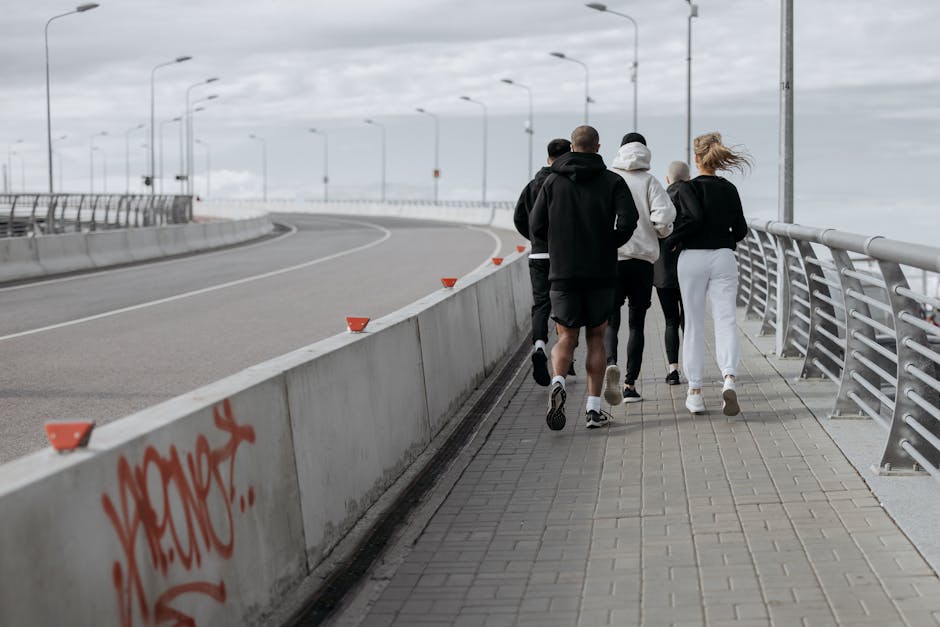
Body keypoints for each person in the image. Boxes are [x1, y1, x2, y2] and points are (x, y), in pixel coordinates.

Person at [530, 125, 639, 430]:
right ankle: (593, 410)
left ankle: (559, 380)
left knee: (566, 336)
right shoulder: (612, 180)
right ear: (598, 146)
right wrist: (609, 243)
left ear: (572, 148)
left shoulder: (552, 181)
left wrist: (559, 245)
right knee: (595, 337)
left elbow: (536, 226)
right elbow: (630, 220)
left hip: (563, 272)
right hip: (601, 272)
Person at [663, 132, 750, 416]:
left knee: (694, 324)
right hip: (724, 257)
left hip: (691, 258)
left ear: (697, 158)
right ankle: (729, 379)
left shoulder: (687, 188)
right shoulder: (728, 189)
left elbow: (678, 223)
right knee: (726, 320)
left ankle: (696, 392)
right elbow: (741, 231)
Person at [602, 132, 675, 406]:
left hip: (612, 259)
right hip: (642, 262)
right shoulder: (650, 181)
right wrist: (659, 232)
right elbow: (664, 217)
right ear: (646, 151)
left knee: (611, 321)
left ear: (620, 151)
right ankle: (630, 385)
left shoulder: (609, 179)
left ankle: (611, 364)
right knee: (637, 324)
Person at [513, 139, 575, 387]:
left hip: (538, 255)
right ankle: (565, 356)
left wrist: (536, 240)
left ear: (548, 157)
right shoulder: (567, 184)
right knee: (565, 305)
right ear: (569, 155)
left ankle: (539, 346)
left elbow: (519, 219)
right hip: (564, 256)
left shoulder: (531, 186)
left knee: (541, 304)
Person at [654, 160, 690, 386]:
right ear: (688, 179)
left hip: (663, 270)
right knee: (689, 319)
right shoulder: (693, 198)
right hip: (689, 268)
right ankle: (692, 368)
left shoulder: (660, 200)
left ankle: (673, 371)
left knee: (670, 320)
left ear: (668, 180)